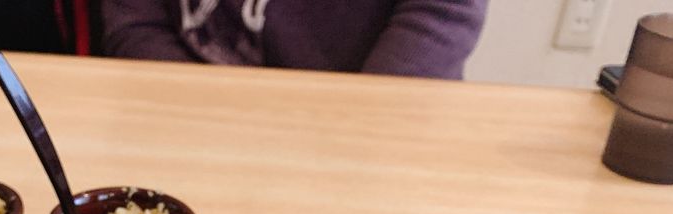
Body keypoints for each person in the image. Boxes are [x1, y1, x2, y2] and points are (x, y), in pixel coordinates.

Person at [102, 0, 488, 79]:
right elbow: (136, 26)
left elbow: (442, 15)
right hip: (184, 104)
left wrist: (364, 108)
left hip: (365, 116)